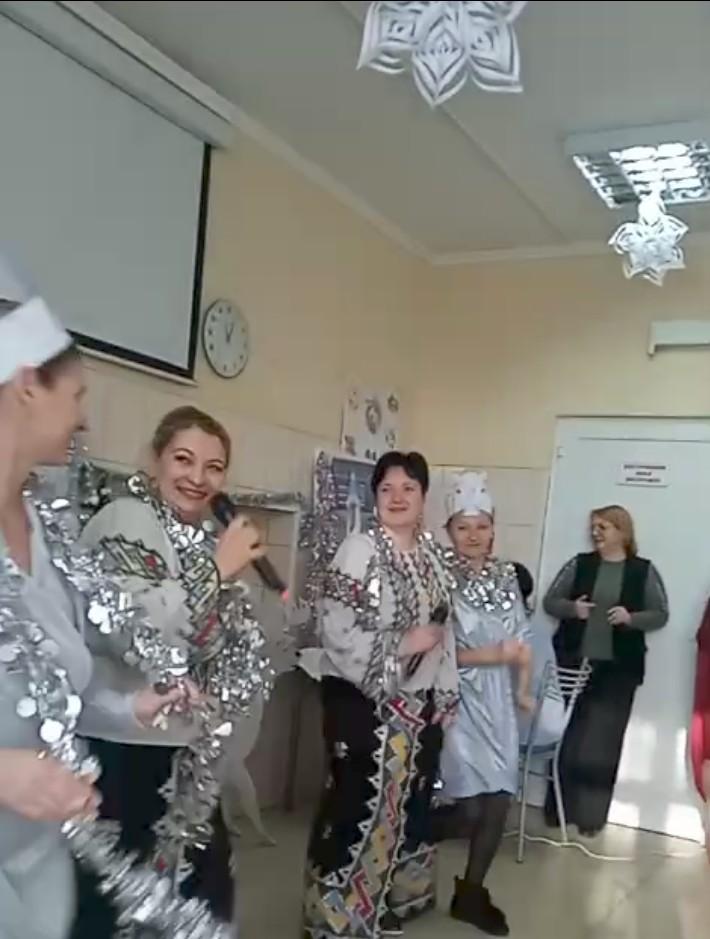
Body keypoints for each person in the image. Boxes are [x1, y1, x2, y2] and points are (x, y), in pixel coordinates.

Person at [0, 283, 185, 939]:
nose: (83, 421)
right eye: (77, 396)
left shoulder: (44, 531)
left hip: (39, 859)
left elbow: (58, 689)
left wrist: (132, 707)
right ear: (28, 385)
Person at [71, 405, 268, 936]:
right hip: (123, 744)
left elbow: (208, 641)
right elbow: (133, 632)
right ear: (155, 460)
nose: (197, 478)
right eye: (183, 460)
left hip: (185, 752)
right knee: (118, 901)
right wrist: (217, 571)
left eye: (214, 467)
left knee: (200, 899)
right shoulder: (124, 520)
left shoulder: (199, 537)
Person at [302, 451, 458, 939]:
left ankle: (385, 902)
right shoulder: (359, 550)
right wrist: (403, 644)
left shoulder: (432, 555)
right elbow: (336, 630)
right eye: (386, 488)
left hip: (418, 707)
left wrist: (446, 691)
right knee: (358, 806)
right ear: (374, 496)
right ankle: (335, 918)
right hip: (362, 703)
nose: (397, 497)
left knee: (406, 806)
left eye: (408, 488)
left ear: (424, 497)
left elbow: (445, 630)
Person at [437, 471, 531, 938]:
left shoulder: (508, 576)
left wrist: (523, 689)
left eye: (481, 526)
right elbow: (434, 649)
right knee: (469, 807)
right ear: (449, 530)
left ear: (493, 529)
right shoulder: (437, 576)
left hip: (498, 703)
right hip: (455, 698)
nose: (473, 535)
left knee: (499, 801)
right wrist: (491, 656)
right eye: (462, 527)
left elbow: (521, 639)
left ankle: (471, 893)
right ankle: (398, 848)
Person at [543, 504, 668, 836]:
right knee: (568, 739)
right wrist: (573, 608)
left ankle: (590, 819)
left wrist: (631, 618)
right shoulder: (579, 564)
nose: (595, 532)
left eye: (603, 527)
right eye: (594, 526)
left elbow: (660, 614)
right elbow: (550, 602)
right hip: (573, 664)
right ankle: (558, 812)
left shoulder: (642, 571)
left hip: (619, 670)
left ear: (622, 532)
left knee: (603, 744)